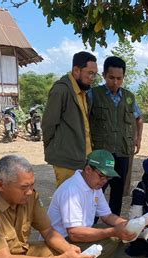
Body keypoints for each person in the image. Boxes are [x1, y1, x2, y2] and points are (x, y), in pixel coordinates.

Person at [47, 149, 136, 258]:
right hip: (62, 242)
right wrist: (113, 231)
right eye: (102, 176)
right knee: (111, 240)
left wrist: (129, 224)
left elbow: (107, 216)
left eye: (108, 178)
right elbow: (74, 233)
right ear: (88, 169)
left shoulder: (94, 186)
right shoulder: (71, 191)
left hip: (76, 235)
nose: (104, 181)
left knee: (116, 236)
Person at [89, 56, 144, 216]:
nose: (115, 82)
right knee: (96, 187)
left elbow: (139, 118)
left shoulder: (129, 97)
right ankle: (89, 221)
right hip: (101, 152)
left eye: (119, 78)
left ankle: (114, 222)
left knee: (118, 189)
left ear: (123, 77)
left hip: (122, 151)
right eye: (111, 78)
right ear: (104, 75)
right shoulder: (93, 94)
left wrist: (138, 138)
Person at [42, 51, 98, 187]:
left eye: (95, 74)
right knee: (67, 202)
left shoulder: (84, 92)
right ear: (76, 70)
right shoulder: (61, 90)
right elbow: (48, 124)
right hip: (66, 161)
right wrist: (55, 148)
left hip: (83, 160)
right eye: (90, 73)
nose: (92, 78)